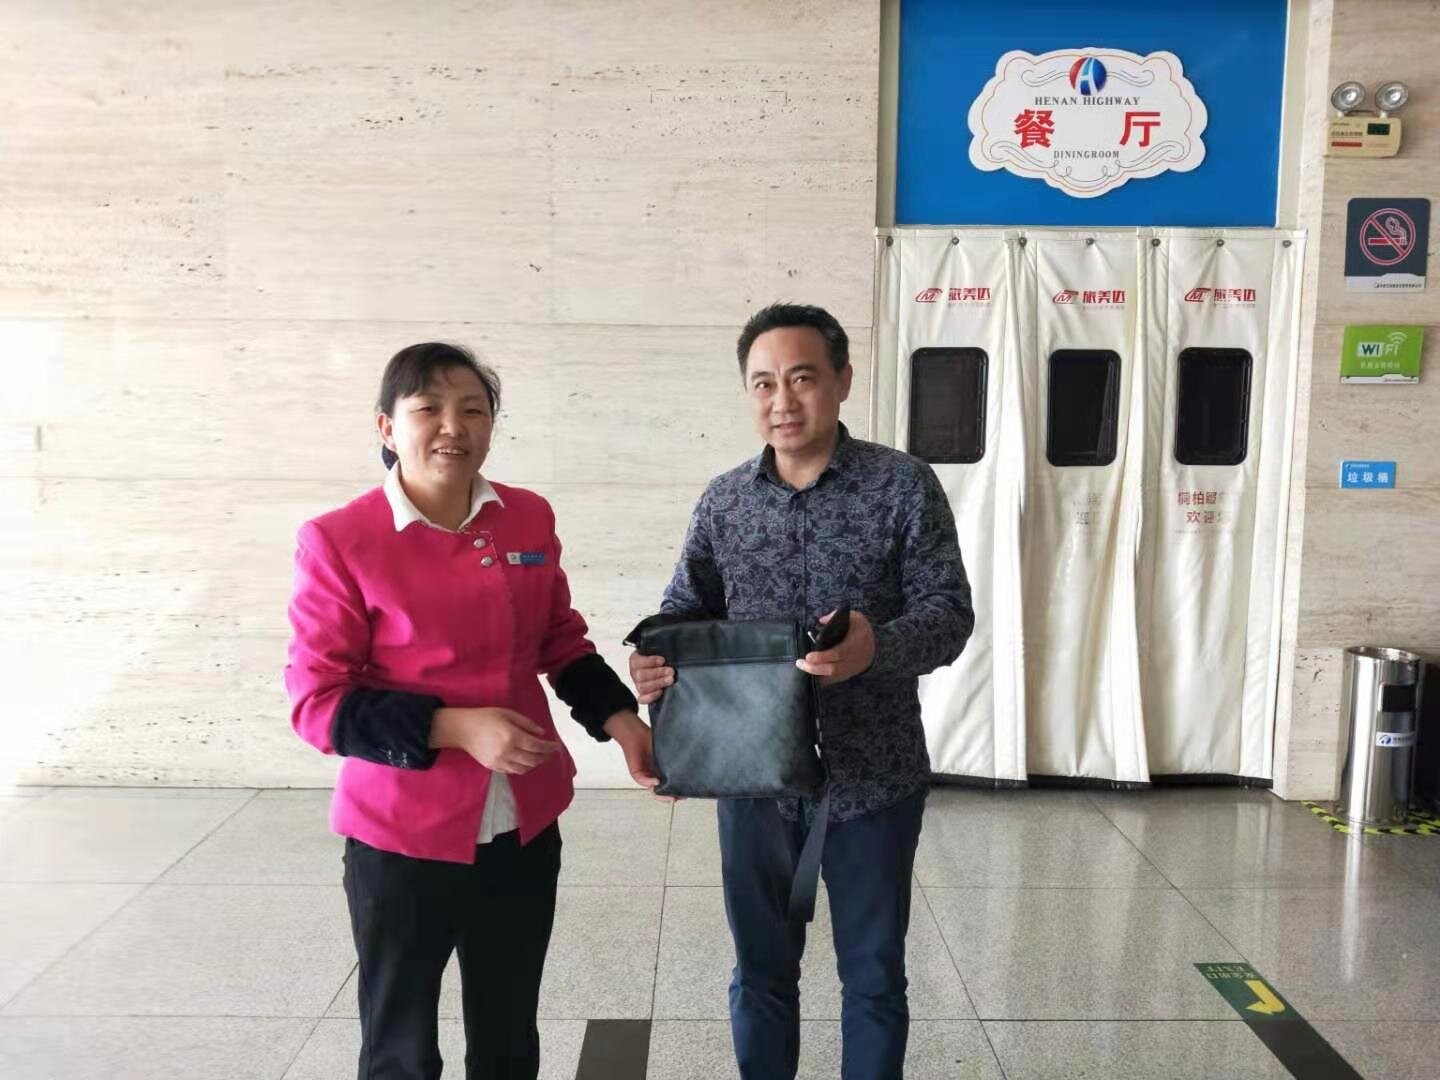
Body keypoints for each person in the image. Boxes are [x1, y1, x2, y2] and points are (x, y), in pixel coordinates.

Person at [285, 342, 659, 1080]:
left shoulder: (526, 517)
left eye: (473, 410)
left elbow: (560, 639)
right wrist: (455, 727)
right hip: (400, 836)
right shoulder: (338, 539)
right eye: (428, 408)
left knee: (508, 1032)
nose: (452, 427)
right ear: (387, 427)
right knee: (399, 1045)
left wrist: (625, 726)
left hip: (523, 822)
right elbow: (318, 701)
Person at [630, 303, 973, 1079]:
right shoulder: (724, 501)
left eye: (802, 378)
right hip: (752, 778)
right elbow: (683, 614)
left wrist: (876, 648)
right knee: (760, 973)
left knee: (874, 978)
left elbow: (950, 616)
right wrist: (654, 666)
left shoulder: (903, 486)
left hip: (875, 776)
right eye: (763, 383)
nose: (782, 400)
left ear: (843, 380)